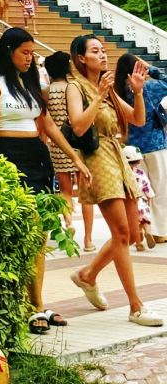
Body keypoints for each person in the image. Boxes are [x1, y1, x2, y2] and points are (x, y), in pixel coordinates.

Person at [0, 27, 92, 334]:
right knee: (26, 232)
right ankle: (28, 305)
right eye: (24, 53)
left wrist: (76, 159)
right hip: (9, 155)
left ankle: (36, 304)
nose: (30, 59)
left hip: (37, 155)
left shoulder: (30, 82)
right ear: (9, 51)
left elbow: (49, 126)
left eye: (32, 53)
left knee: (42, 234)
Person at [67, 36, 162, 326]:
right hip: (97, 159)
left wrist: (137, 92)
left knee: (132, 234)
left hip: (117, 157)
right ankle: (135, 306)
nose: (103, 55)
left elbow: (137, 119)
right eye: (95, 51)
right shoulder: (76, 87)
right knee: (121, 233)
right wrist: (97, 96)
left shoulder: (107, 87)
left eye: (104, 50)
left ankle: (87, 275)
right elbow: (78, 125)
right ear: (81, 58)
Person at [43, 51, 95, 252]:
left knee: (64, 190)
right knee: (85, 193)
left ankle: (69, 222)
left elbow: (44, 124)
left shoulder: (46, 92)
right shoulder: (75, 88)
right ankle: (88, 239)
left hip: (57, 145)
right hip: (78, 144)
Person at [126, 64, 167, 243]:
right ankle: (160, 231)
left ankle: (139, 230)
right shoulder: (149, 87)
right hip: (156, 144)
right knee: (159, 190)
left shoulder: (119, 90)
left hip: (132, 149)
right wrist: (152, 69)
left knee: (138, 191)